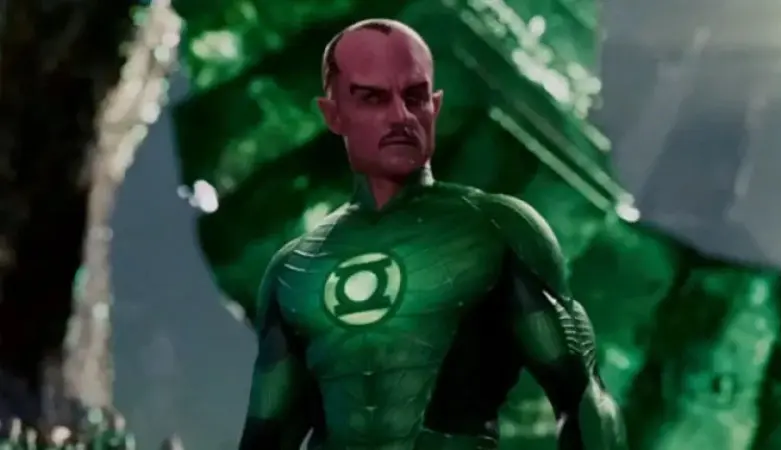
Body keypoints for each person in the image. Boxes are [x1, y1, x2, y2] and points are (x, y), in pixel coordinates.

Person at [239, 18, 627, 450]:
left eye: (415, 96)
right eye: (373, 97)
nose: (400, 116)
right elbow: (267, 431)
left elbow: (584, 399)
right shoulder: (295, 267)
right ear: (335, 115)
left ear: (434, 106)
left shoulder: (497, 229)